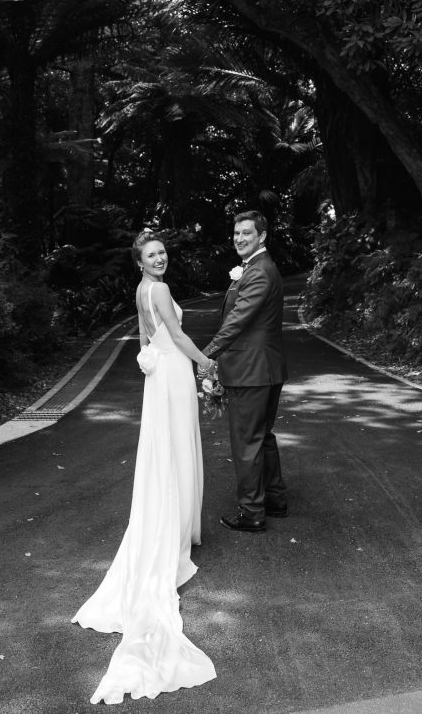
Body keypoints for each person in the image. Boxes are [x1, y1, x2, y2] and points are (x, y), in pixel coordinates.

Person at [72, 231, 217, 705]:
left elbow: (142, 333)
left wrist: (149, 358)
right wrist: (206, 363)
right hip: (173, 372)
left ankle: (176, 524)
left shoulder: (140, 291)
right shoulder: (158, 289)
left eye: (162, 253)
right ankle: (178, 529)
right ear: (140, 262)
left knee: (167, 449)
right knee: (178, 447)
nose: (160, 259)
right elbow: (174, 334)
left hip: (159, 377)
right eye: (151, 255)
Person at [202, 210, 288, 533]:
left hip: (251, 372)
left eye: (246, 233)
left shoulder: (259, 272)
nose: (239, 238)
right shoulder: (257, 268)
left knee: (246, 442)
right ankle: (275, 498)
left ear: (262, 236)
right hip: (265, 370)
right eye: (236, 233)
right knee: (262, 436)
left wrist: (205, 355)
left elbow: (237, 321)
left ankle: (252, 512)